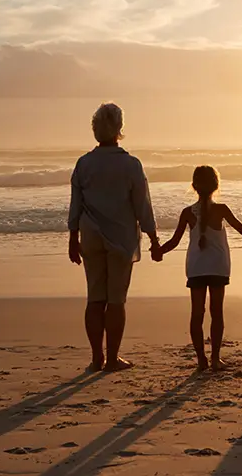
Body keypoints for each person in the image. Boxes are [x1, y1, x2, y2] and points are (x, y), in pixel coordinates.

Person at [67, 102, 159, 372]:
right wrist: (153, 238)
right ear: (119, 128)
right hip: (121, 238)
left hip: (91, 236)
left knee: (95, 297)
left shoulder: (84, 164)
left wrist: (73, 238)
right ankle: (112, 358)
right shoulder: (130, 165)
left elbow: (75, 205)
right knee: (116, 299)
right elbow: (142, 206)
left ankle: (96, 358)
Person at [153, 166, 242, 372]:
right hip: (218, 265)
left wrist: (158, 250)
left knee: (197, 313)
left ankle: (201, 360)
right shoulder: (221, 209)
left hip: (196, 267)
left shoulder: (187, 212)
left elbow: (174, 241)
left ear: (194, 186)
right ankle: (215, 358)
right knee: (217, 312)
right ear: (216, 186)